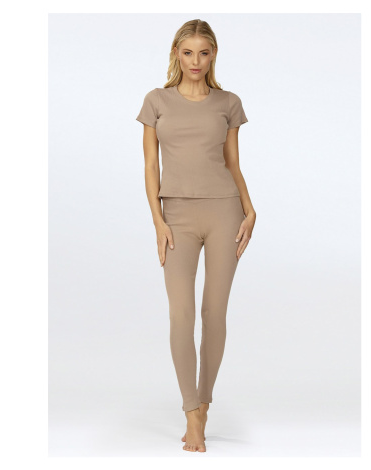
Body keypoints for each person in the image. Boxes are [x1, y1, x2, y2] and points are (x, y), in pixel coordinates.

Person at [136, 19, 256, 453]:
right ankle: (190, 411)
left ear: (213, 55)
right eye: (188, 52)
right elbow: (151, 166)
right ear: (176, 53)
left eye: (204, 53)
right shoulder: (156, 101)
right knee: (181, 315)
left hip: (225, 211)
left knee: (214, 313)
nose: (196, 61)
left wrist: (250, 208)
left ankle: (204, 404)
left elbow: (233, 162)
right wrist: (158, 219)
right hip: (177, 217)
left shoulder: (228, 102)